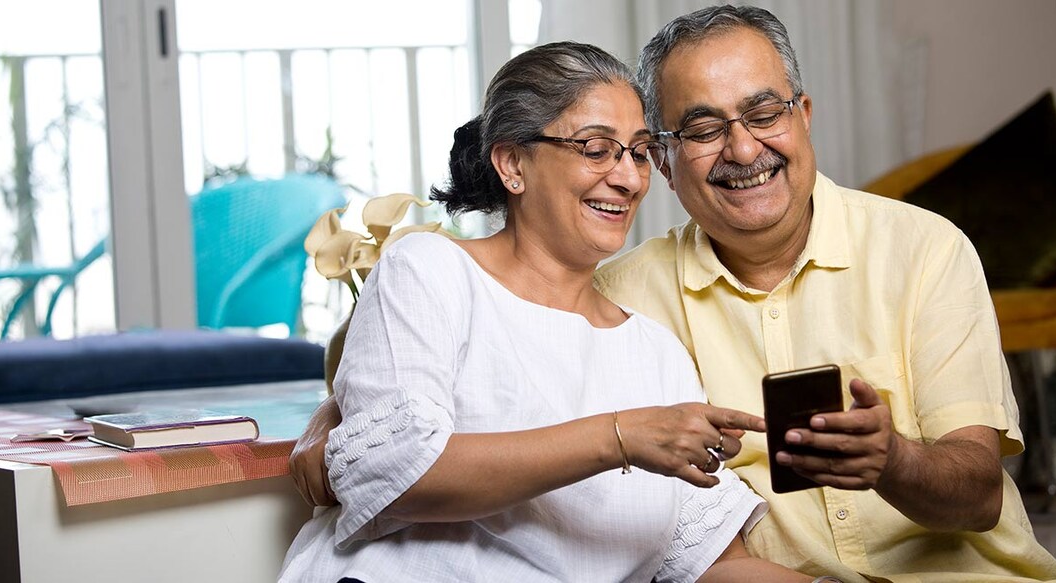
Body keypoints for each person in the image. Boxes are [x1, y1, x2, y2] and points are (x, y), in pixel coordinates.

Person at [292, 6, 1056, 582]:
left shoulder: (919, 251)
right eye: (699, 130)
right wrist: (333, 426)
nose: (741, 148)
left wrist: (893, 457)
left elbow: (708, 553)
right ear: (672, 165)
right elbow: (410, 425)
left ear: (802, 116)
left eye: (762, 111)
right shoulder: (596, 292)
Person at [280, 40, 811, 583]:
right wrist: (618, 437)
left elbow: (713, 562)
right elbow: (396, 471)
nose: (628, 178)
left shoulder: (656, 352)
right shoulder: (431, 270)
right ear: (513, 163)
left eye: (637, 151)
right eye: (596, 148)